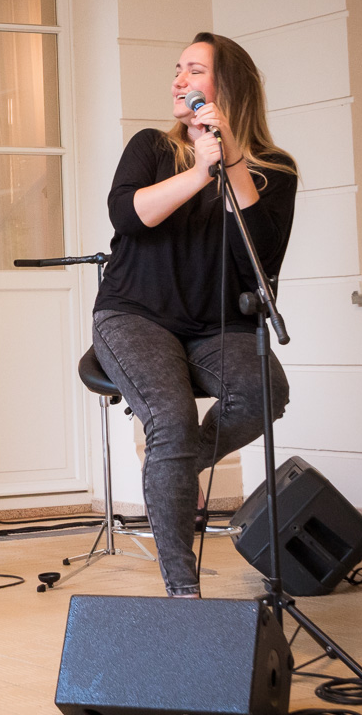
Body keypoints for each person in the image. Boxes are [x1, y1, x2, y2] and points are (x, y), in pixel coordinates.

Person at [92, 32, 297, 598]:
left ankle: (174, 465)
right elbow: (128, 215)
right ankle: (184, 593)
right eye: (177, 69)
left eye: (194, 71)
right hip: (135, 314)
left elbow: (261, 257)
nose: (178, 81)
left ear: (228, 87)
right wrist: (201, 170)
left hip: (216, 324)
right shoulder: (152, 147)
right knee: (173, 419)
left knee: (264, 393)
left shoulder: (274, 170)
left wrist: (231, 164)